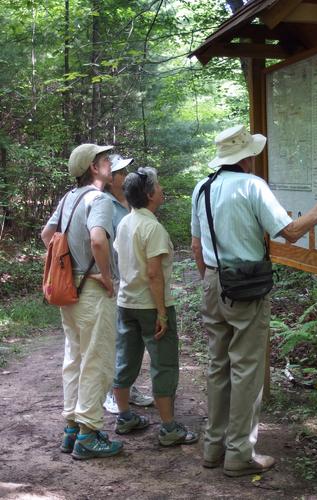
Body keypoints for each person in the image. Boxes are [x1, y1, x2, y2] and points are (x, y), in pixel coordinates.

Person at [191, 124, 317, 477]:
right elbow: (292, 232)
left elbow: (196, 246)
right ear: (247, 157)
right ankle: (239, 455)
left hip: (212, 281)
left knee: (217, 366)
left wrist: (212, 281)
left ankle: (213, 447)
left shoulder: (201, 188)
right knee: (246, 370)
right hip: (247, 287)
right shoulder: (253, 186)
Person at [41, 144, 123, 460]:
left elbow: (47, 235)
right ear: (93, 167)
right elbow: (98, 239)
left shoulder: (68, 199)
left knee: (74, 357)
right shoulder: (98, 199)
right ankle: (88, 435)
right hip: (91, 291)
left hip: (68, 292)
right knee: (97, 360)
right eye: (105, 160)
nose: (110, 164)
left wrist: (68, 266)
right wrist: (104, 276)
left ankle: (73, 428)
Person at [113, 167, 199, 446]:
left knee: (126, 357)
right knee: (164, 364)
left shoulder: (126, 222)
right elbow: (153, 274)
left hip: (126, 302)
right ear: (150, 195)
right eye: (158, 186)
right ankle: (169, 428)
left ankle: (124, 416)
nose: (162, 190)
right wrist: (162, 311)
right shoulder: (152, 228)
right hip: (150, 306)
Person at [103, 154, 154, 414]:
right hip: (113, 280)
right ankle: (112, 392)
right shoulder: (104, 204)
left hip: (133, 280)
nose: (126, 174)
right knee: (116, 339)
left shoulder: (132, 202)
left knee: (131, 342)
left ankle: (127, 387)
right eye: (121, 170)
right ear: (110, 178)